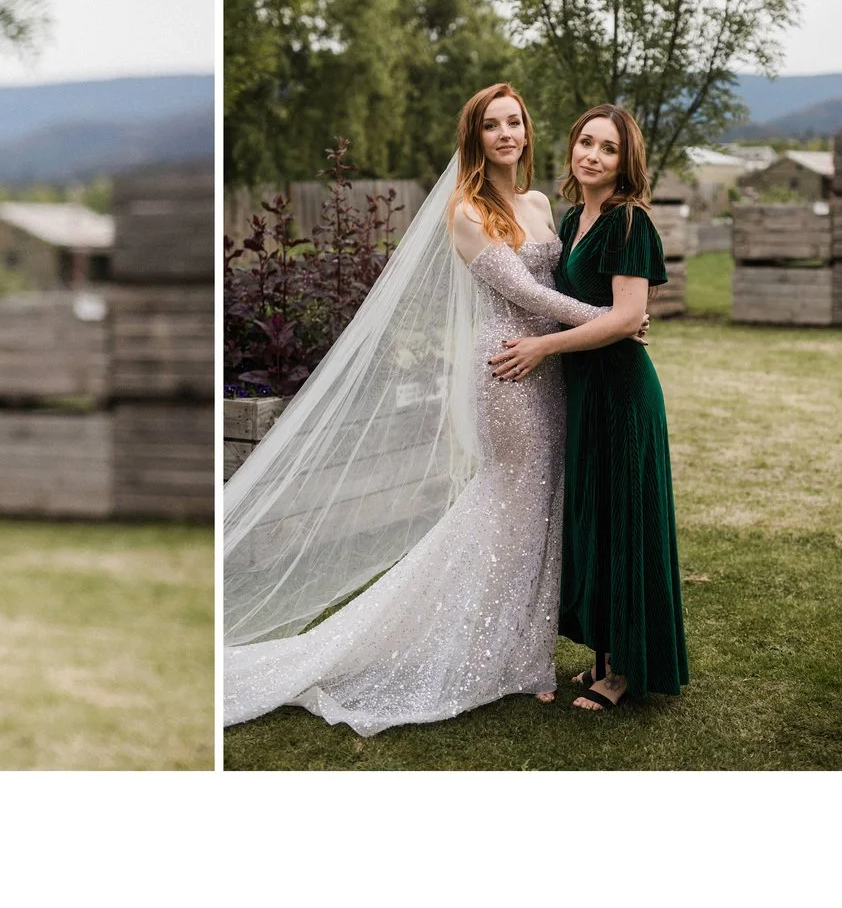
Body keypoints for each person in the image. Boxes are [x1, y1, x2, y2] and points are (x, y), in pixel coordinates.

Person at [222, 84, 633, 735]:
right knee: (510, 513)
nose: (506, 134)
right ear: (475, 138)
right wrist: (609, 319)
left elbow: (557, 282)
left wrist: (598, 323)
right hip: (508, 370)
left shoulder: (537, 204)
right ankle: (493, 656)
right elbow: (526, 293)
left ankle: (527, 654)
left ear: (527, 131)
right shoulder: (467, 211)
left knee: (542, 511)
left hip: (550, 368)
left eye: (515, 122)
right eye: (492, 125)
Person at [489, 103, 687, 711]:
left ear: (626, 162)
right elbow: (568, 300)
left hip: (622, 393)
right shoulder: (575, 217)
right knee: (594, 519)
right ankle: (603, 653)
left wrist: (544, 346)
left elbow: (626, 319)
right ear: (571, 147)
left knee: (624, 521)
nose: (592, 155)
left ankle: (625, 669)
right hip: (582, 391)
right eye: (585, 142)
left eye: (608, 148)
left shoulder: (629, 223)